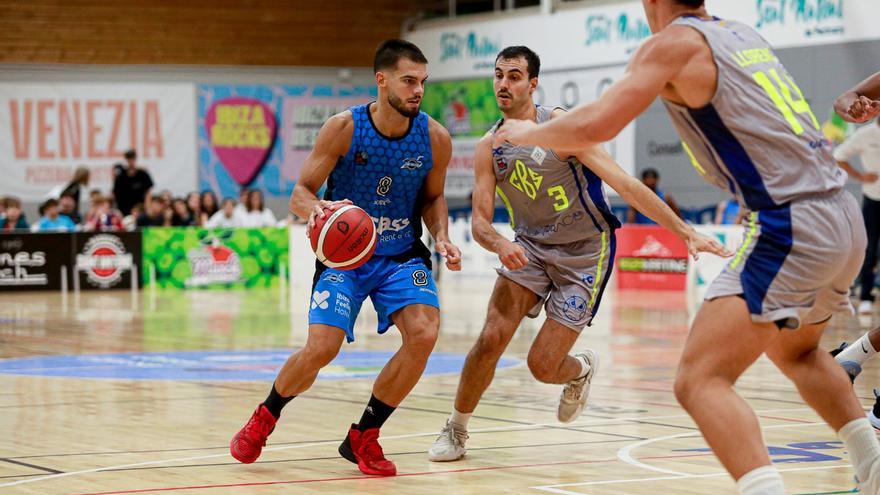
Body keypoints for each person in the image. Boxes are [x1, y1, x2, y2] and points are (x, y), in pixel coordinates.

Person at [494, 1, 880, 493]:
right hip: (843, 216)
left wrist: (533, 131)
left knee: (699, 380)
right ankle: (874, 468)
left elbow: (595, 125)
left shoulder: (673, 43)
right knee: (799, 353)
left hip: (790, 222)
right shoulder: (740, 33)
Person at [428, 45, 728, 462]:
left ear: (533, 84)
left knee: (542, 366)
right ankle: (456, 430)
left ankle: (581, 368)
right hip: (530, 247)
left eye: (514, 76)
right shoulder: (488, 146)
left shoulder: (564, 128)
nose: (503, 83)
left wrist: (685, 232)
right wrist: (500, 243)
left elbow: (624, 184)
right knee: (491, 337)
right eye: (498, 74)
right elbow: (480, 222)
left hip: (586, 251)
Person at [229, 39, 461, 477]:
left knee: (425, 334)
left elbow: (433, 198)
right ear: (382, 80)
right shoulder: (344, 128)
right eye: (409, 81)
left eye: (423, 83)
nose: (418, 91)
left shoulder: (434, 137)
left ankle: (364, 436)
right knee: (322, 348)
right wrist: (315, 210)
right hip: (346, 257)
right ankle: (266, 416)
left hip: (401, 255)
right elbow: (301, 191)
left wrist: (443, 236)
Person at [833, 117, 880, 314]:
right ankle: (866, 296)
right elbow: (838, 155)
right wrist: (859, 176)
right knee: (868, 249)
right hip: (873, 199)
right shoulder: (865, 134)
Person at [112, 149, 154, 216]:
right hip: (123, 209)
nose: (130, 161)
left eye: (132, 158)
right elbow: (115, 192)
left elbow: (148, 193)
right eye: (128, 159)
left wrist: (148, 207)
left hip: (139, 210)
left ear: (135, 159)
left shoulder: (143, 174)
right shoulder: (120, 176)